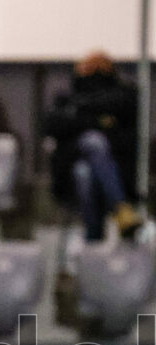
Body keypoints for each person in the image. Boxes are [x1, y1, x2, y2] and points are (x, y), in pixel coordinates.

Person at [44, 51, 141, 241]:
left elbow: (123, 112)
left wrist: (79, 116)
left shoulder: (123, 96)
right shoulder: (65, 100)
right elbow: (53, 124)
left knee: (85, 171)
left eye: (98, 68)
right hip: (68, 176)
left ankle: (93, 238)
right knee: (92, 144)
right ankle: (120, 209)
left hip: (118, 174)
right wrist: (98, 122)